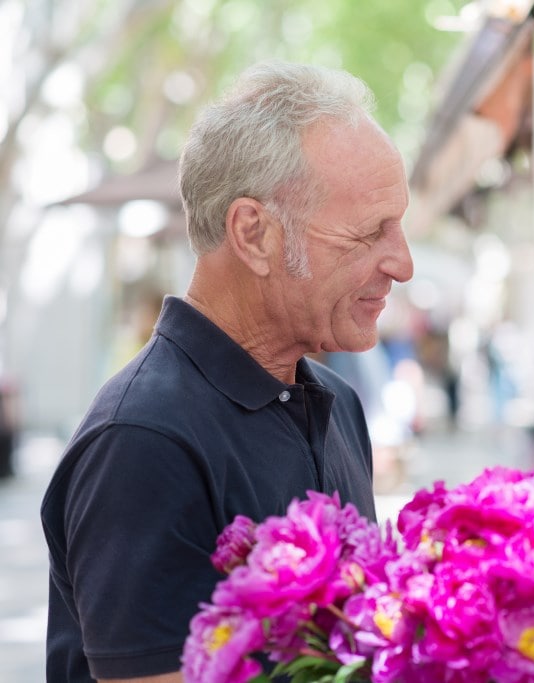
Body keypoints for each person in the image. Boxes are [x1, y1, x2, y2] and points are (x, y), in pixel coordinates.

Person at [40, 61, 414, 683]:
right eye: (370, 233)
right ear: (253, 233)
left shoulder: (337, 402)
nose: (401, 263)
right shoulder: (142, 440)